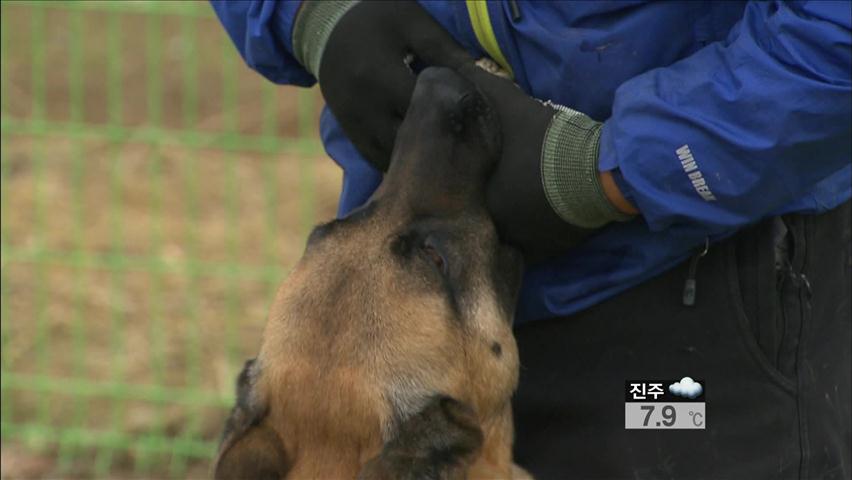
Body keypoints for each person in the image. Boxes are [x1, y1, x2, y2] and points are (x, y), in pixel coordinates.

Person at [212, 1, 851, 477]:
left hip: (676, 344)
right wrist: (310, 14)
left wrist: (614, 170)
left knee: (676, 418)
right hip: (456, 349)